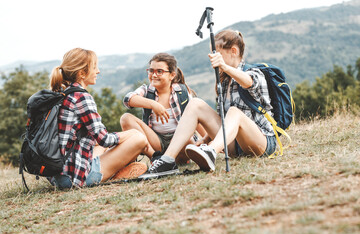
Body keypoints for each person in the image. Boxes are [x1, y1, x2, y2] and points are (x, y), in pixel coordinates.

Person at [140, 29, 277, 178]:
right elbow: (224, 120)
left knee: (235, 112)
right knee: (196, 104)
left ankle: (211, 151)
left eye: (218, 54)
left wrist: (224, 67)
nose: (214, 59)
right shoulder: (224, 82)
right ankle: (167, 160)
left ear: (233, 51)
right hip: (234, 145)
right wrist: (205, 140)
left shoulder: (254, 72)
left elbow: (248, 82)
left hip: (262, 142)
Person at [50, 48, 148, 188]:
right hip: (77, 178)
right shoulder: (82, 97)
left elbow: (96, 141)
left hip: (59, 176)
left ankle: (116, 171)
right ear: (82, 73)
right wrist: (130, 134)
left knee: (98, 146)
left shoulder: (63, 94)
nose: (98, 71)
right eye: (95, 67)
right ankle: (157, 160)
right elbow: (105, 139)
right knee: (139, 138)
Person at [120, 53, 204, 174]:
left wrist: (207, 141)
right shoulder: (147, 90)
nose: (154, 75)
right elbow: (128, 99)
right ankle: (156, 157)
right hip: (157, 142)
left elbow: (197, 119)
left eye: (160, 71)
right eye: (151, 71)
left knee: (190, 140)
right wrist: (153, 104)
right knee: (126, 118)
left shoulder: (182, 92)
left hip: (180, 140)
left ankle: (176, 159)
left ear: (172, 75)